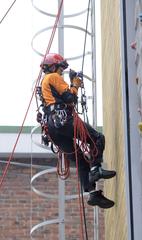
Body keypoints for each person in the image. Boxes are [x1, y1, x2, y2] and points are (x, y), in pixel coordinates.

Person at [40, 53, 116, 209]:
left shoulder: (44, 83)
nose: (61, 72)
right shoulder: (53, 77)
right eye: (61, 68)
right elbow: (70, 99)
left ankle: (92, 194)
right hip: (63, 119)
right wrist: (75, 84)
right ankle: (96, 169)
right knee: (97, 138)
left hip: (53, 128)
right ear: (54, 67)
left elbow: (60, 99)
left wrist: (71, 85)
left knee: (80, 159)